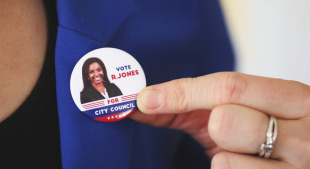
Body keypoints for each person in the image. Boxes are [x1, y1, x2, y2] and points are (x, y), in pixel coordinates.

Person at [1, 0, 310, 169]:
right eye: (91, 73)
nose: (96, 75)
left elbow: (215, 152)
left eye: (99, 72)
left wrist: (267, 149)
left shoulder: (176, 9)